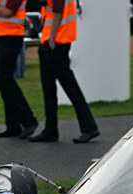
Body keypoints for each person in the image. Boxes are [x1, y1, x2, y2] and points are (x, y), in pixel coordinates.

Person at [30, 0, 99, 143]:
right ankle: (51, 129)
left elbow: (58, 11)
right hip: (53, 40)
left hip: (56, 41)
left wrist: (51, 37)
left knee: (68, 84)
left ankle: (88, 127)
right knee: (49, 85)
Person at [0, 0, 38, 138]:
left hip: (11, 34)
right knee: (0, 79)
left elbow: (8, 12)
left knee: (4, 78)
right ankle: (12, 125)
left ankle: (28, 120)